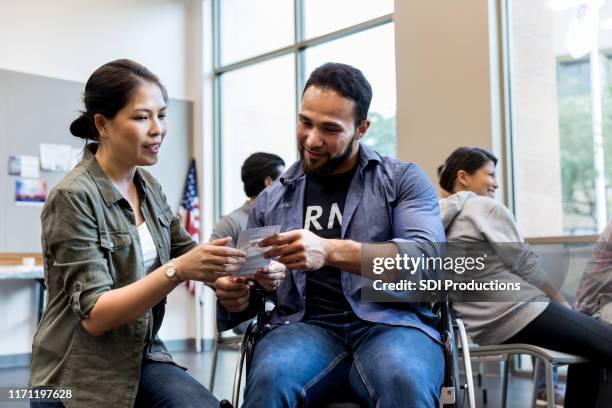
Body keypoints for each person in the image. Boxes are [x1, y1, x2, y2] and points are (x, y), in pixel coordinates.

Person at [215, 62, 446, 408]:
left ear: (362, 129)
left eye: (330, 129)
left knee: (404, 381)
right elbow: (249, 292)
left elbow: (428, 263)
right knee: (269, 380)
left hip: (393, 323)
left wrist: (329, 250)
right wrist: (236, 294)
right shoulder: (272, 198)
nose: (312, 139)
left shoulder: (401, 181)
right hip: (303, 327)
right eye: (305, 122)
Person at [28, 59, 249, 408]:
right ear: (102, 124)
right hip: (75, 374)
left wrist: (224, 280)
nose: (157, 129)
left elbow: (184, 250)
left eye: (162, 115)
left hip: (140, 356)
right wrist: (178, 271)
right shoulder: (73, 197)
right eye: (142, 117)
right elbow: (96, 315)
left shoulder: (148, 186)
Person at [438, 146, 612, 407]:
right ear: (463, 177)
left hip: (484, 329)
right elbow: (527, 266)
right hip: (520, 312)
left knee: (588, 350)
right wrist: (564, 305)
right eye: (490, 175)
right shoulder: (483, 207)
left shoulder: (436, 218)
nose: (495, 184)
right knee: (605, 342)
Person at [210, 152, 286, 333]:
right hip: (250, 308)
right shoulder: (231, 222)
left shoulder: (286, 217)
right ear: (269, 182)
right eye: (281, 179)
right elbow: (213, 269)